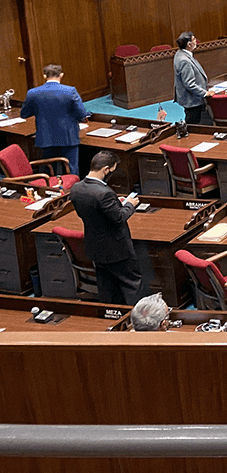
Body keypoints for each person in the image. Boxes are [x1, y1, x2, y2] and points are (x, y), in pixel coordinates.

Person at [69, 151, 141, 304]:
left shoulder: (76, 188)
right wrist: (129, 205)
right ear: (106, 169)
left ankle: (111, 317)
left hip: (95, 247)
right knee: (131, 284)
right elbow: (119, 218)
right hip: (116, 249)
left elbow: (92, 212)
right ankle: (134, 318)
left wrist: (115, 204)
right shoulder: (104, 193)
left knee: (106, 287)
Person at [20, 63, 87, 177]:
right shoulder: (70, 91)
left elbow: (24, 114)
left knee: (49, 169)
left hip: (46, 137)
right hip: (68, 137)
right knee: (71, 170)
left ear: (44, 76)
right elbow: (81, 114)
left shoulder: (33, 93)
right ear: (61, 75)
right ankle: (71, 192)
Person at [173, 31, 214, 125]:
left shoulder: (180, 53)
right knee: (193, 123)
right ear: (189, 44)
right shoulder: (184, 60)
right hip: (192, 100)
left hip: (191, 99)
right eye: (194, 39)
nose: (196, 41)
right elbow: (189, 84)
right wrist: (205, 93)